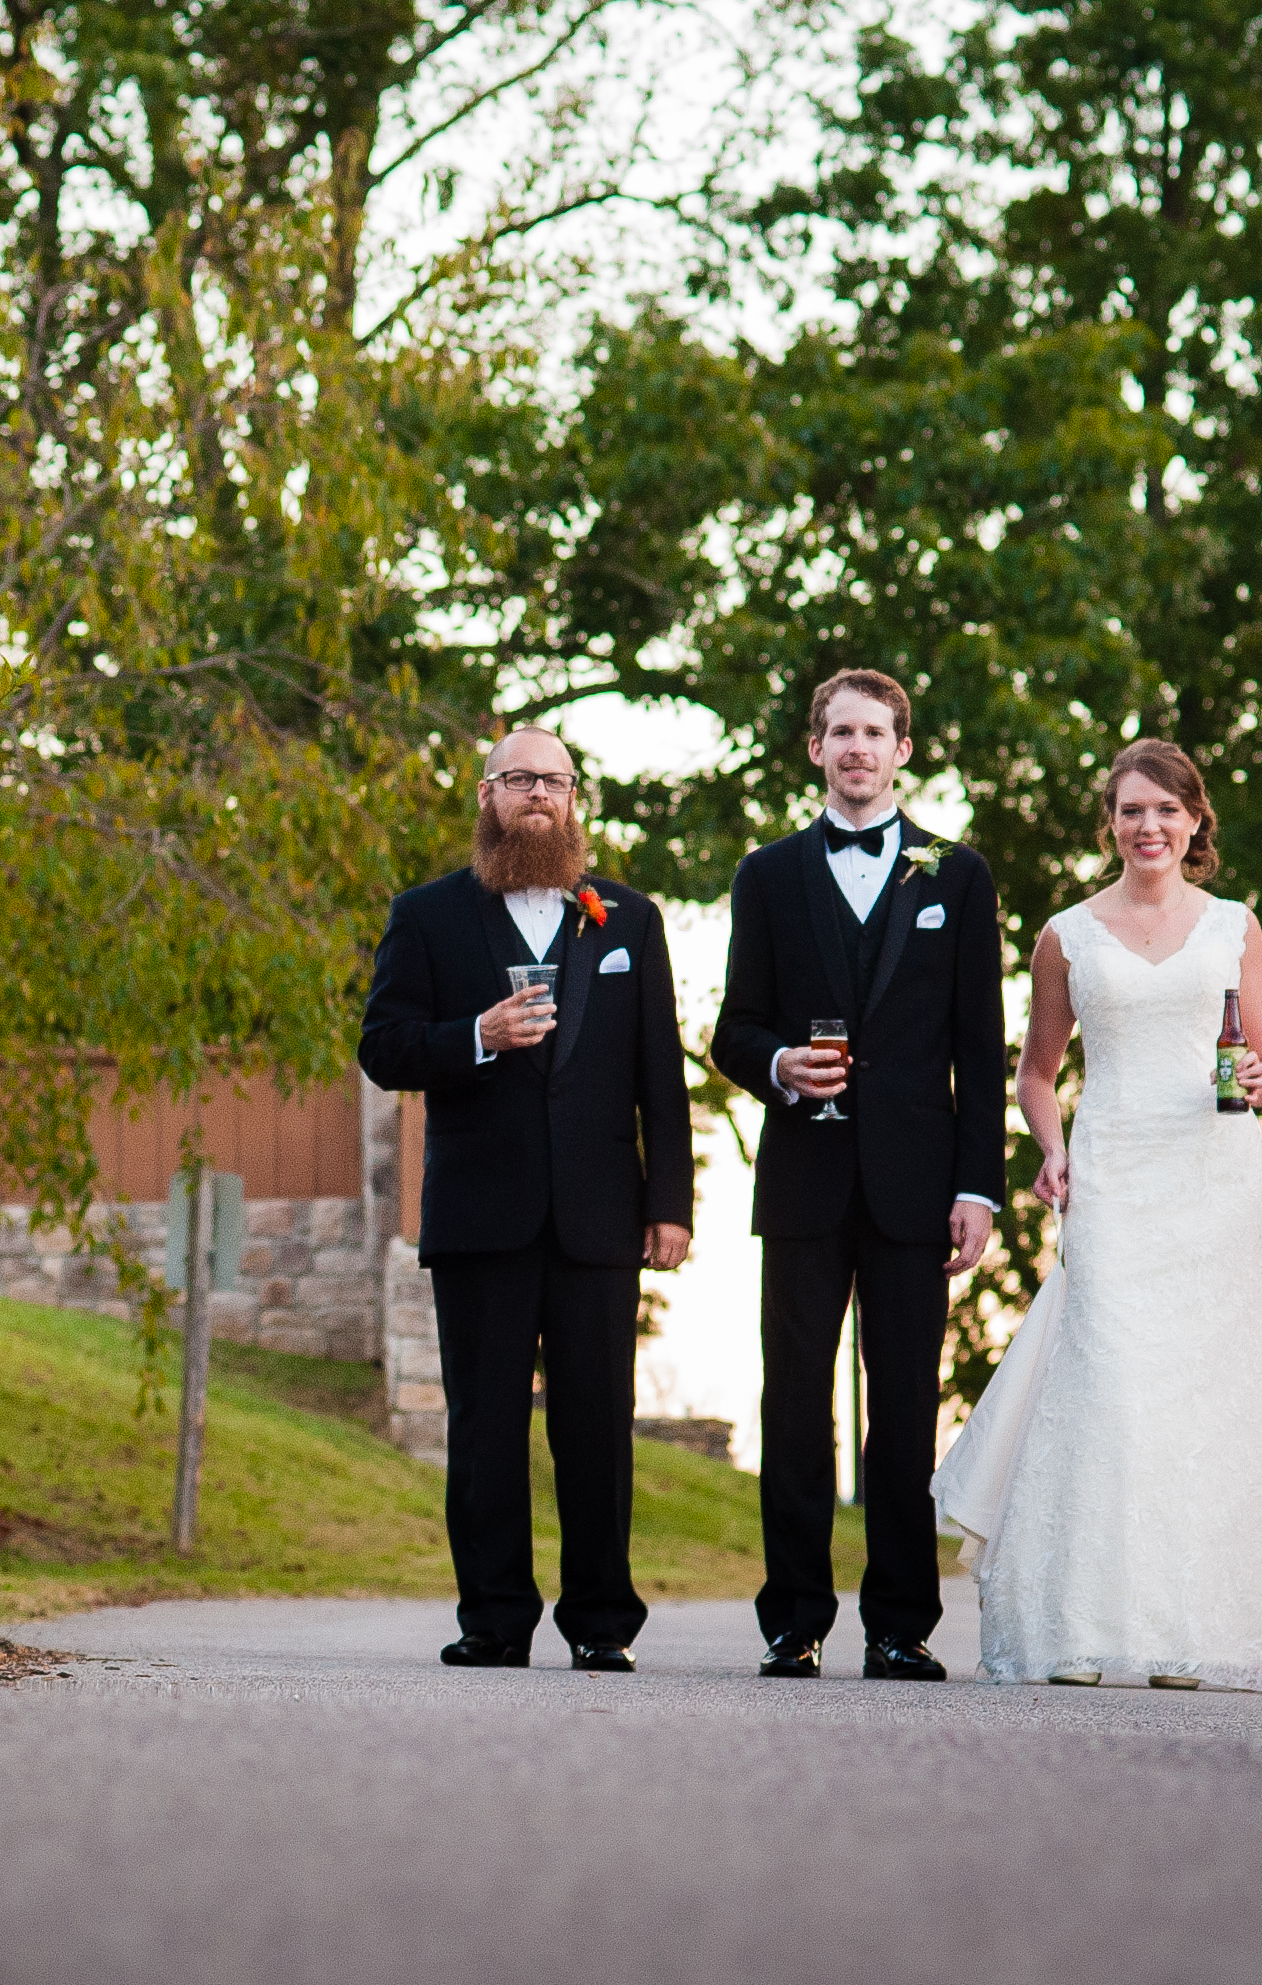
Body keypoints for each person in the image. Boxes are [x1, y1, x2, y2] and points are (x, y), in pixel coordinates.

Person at [931, 739, 1262, 1689]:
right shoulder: (1067, 933)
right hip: (1113, 1174)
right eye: (1132, 810)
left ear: (1194, 821)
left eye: (1166, 810)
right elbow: (1036, 1074)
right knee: (1109, 1391)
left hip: (1213, 1182)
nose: (1149, 826)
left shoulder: (1234, 926)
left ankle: (1189, 1635)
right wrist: (1052, 1148)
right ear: (1111, 822)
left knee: (1201, 1402)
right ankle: (1077, 1627)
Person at [358, 726, 695, 1672]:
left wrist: (669, 1202)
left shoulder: (628, 918)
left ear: (574, 795)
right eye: (516, 780)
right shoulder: (427, 915)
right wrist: (475, 1033)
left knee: (597, 1425)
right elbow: (382, 1047)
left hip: (600, 1216)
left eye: (550, 780)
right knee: (485, 1423)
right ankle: (494, 1619)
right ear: (485, 795)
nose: (534, 794)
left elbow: (657, 1072)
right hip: (478, 1215)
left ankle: (600, 1622)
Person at [710, 669, 1006, 1681]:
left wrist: (980, 1187)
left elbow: (981, 1043)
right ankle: (793, 1622)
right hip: (801, 1179)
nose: (856, 748)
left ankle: (900, 1626)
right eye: (839, 731)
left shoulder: (956, 877)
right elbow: (732, 1030)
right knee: (792, 1402)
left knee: (905, 1407)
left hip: (917, 1186)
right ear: (814, 749)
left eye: (874, 732)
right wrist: (780, 1067)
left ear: (903, 750)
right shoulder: (768, 875)